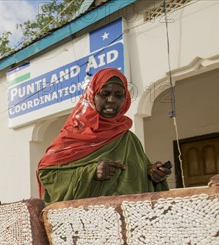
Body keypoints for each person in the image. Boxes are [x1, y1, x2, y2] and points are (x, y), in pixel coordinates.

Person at [37, 68, 171, 204]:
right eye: (104, 94)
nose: (111, 100)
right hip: (90, 221)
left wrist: (153, 174)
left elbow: (141, 175)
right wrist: (91, 172)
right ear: (92, 96)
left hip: (132, 219)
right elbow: (47, 175)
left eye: (119, 95)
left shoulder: (129, 138)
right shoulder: (73, 135)